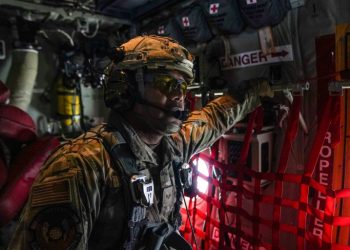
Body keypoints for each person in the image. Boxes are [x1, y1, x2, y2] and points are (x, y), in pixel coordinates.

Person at [8, 35, 273, 250]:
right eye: (165, 82)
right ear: (126, 89)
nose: (178, 97)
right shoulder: (81, 165)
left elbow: (215, 118)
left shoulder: (173, 146)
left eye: (182, 87)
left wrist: (258, 90)